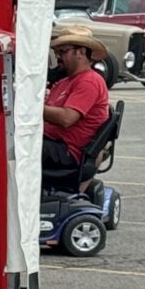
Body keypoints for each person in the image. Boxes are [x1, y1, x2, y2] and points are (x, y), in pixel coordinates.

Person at [42, 25, 111, 182]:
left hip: (67, 152)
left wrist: (31, 106)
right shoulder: (64, 82)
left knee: (17, 150)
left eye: (63, 52)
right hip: (54, 144)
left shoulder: (89, 81)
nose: (58, 56)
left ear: (80, 52)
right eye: (57, 52)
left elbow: (66, 118)